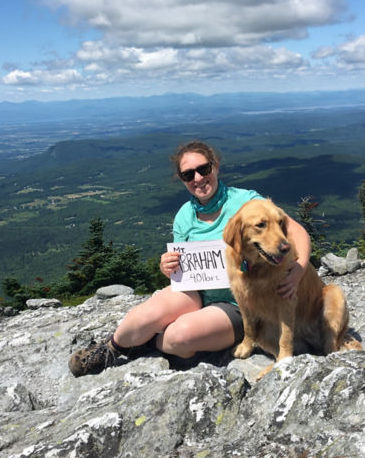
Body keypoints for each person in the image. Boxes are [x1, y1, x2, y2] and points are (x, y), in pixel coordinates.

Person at [68, 140, 312, 377]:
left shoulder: (247, 202)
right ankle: (108, 350)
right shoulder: (184, 215)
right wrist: (168, 266)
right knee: (144, 316)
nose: (198, 178)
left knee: (179, 336)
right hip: (197, 292)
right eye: (188, 175)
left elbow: (296, 231)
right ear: (182, 180)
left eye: (203, 169)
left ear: (215, 167)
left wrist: (298, 270)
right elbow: (182, 268)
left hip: (241, 304)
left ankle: (149, 344)